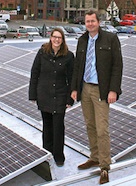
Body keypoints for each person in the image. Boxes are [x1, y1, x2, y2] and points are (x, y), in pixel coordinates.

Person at [70, 10, 123, 184]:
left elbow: (117, 66)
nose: (90, 24)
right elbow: (78, 66)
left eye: (93, 21)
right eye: (88, 21)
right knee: (90, 125)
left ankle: (105, 167)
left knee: (102, 129)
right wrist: (75, 88)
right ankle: (94, 157)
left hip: (101, 90)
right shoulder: (82, 40)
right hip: (85, 88)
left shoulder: (110, 39)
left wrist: (113, 90)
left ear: (98, 22)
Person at [29, 28, 75, 167]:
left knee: (58, 126)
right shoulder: (42, 53)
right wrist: (33, 94)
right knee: (47, 126)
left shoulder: (68, 56)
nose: (56, 40)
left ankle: (58, 156)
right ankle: (47, 153)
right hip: (44, 95)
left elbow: (72, 78)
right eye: (54, 37)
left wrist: (70, 99)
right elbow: (34, 73)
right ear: (50, 38)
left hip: (60, 96)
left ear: (63, 40)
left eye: (59, 38)